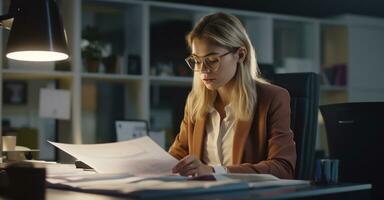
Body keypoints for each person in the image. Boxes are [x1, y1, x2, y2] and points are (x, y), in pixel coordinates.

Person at [169, 12, 296, 179]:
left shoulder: (273, 98)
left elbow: (283, 168)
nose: (203, 70)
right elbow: (176, 159)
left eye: (212, 60)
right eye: (197, 61)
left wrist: (214, 171)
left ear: (240, 55)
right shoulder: (196, 102)